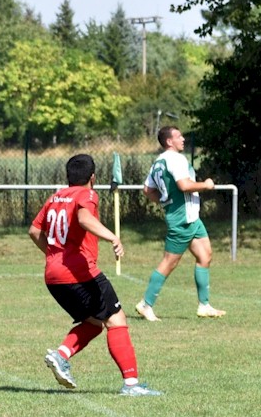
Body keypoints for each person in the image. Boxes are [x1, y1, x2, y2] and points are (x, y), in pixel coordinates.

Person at [29, 154, 161, 396]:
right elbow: (84, 218)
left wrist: (54, 254)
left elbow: (34, 230)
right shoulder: (87, 194)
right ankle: (131, 385)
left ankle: (61, 355)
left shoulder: (55, 197)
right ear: (92, 177)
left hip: (53, 276)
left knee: (94, 323)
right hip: (80, 273)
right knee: (116, 320)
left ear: (68, 176)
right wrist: (112, 236)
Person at [135, 126, 226, 322]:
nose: (183, 139)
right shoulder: (175, 159)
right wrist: (206, 185)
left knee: (205, 255)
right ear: (169, 141)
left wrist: (165, 200)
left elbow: (147, 190)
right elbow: (184, 186)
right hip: (183, 219)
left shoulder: (158, 162)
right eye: (179, 136)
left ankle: (204, 305)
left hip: (191, 217)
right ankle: (145, 304)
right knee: (169, 262)